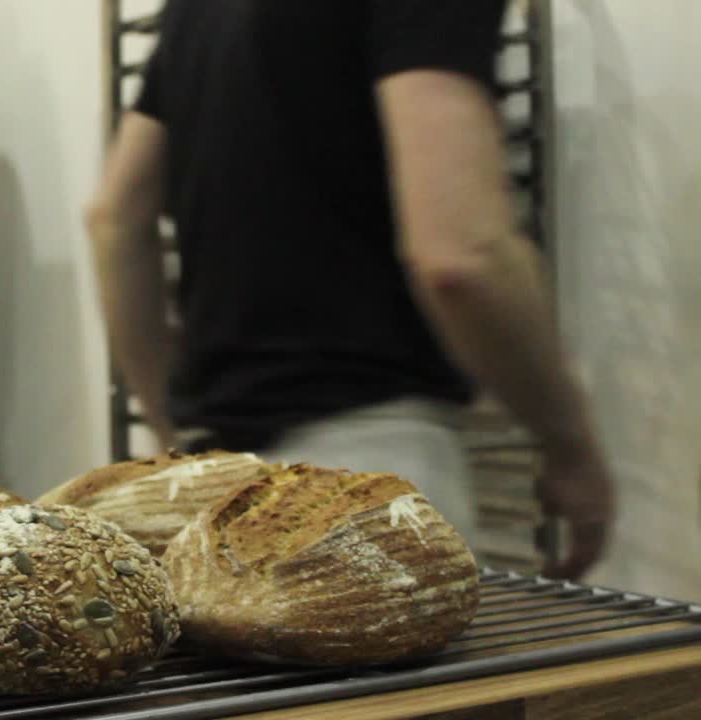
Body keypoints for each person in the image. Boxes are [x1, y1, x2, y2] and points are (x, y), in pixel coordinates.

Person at [85, 0, 613, 579]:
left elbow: (115, 219)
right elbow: (462, 255)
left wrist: (168, 432)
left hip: (215, 484)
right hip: (368, 475)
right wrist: (571, 450)